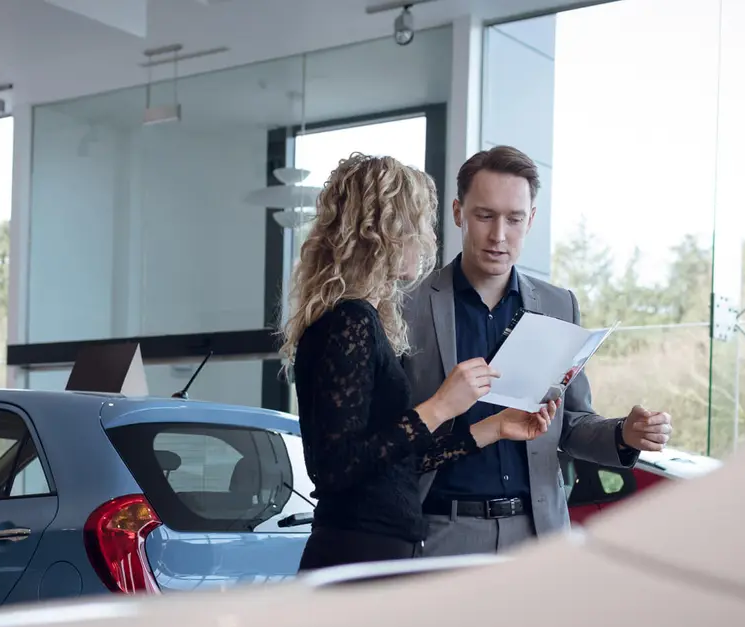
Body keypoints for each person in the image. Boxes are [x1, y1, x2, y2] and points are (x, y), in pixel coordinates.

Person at [280, 153, 560, 572]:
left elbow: (392, 463)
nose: (428, 237)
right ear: (383, 233)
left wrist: (492, 428)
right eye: (419, 223)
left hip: (376, 552)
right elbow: (335, 469)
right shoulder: (349, 321)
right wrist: (442, 405)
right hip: (359, 556)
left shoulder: (362, 319)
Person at [401, 145, 674, 557]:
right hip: (438, 531)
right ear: (459, 212)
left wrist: (624, 434)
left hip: (538, 535)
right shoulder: (407, 307)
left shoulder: (559, 304)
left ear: (530, 220)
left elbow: (572, 422)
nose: (499, 235)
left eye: (513, 219)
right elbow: (390, 433)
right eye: (484, 215)